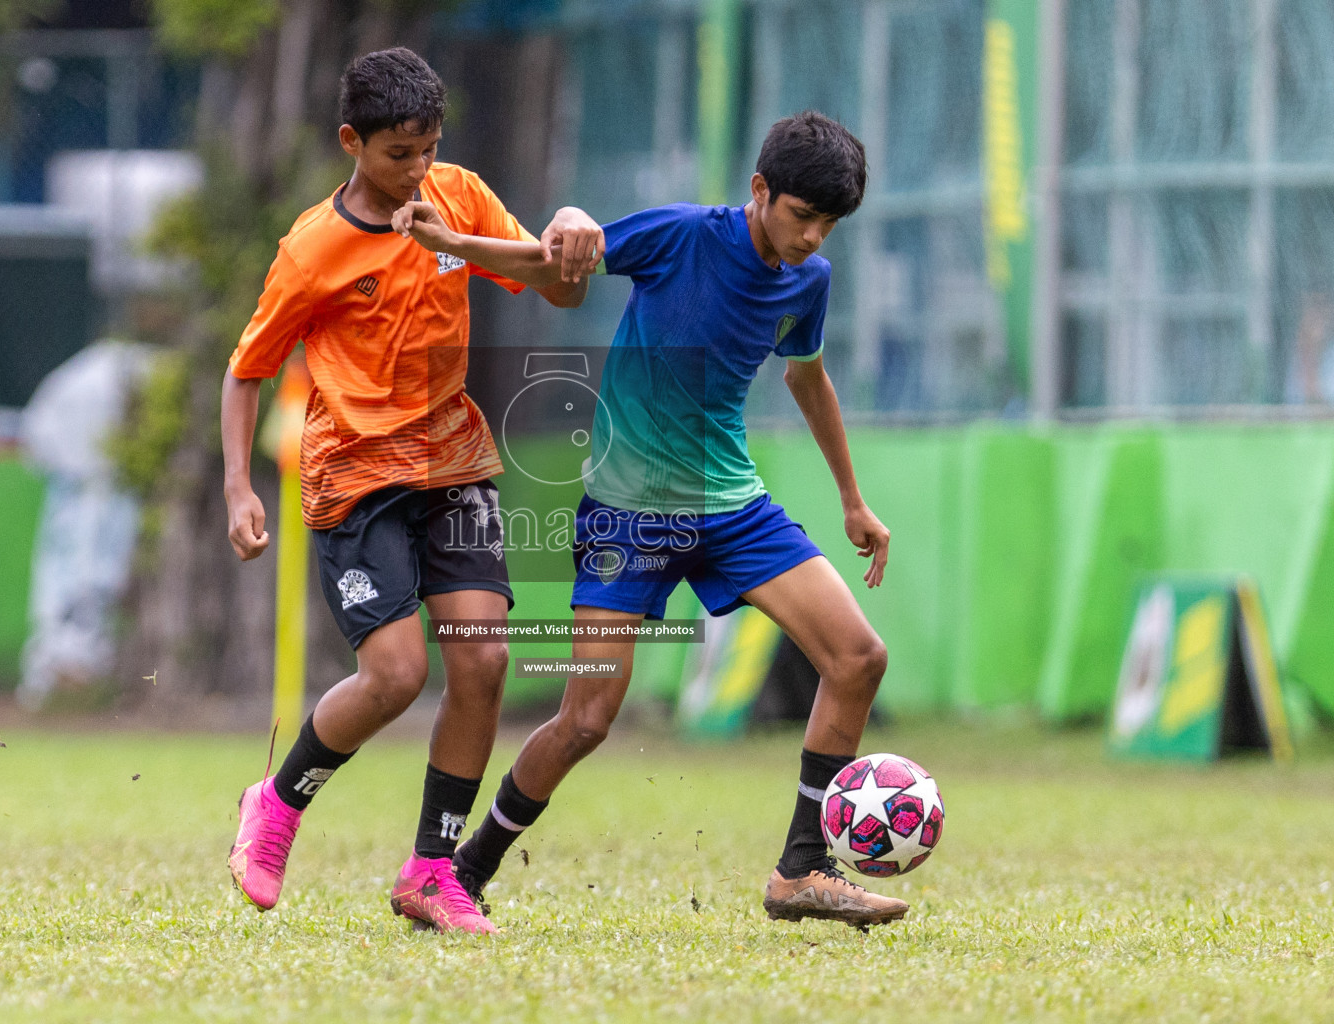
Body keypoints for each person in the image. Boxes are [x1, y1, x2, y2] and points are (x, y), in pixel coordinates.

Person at [405, 110, 909, 930]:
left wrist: (853, 498)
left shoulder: (808, 281)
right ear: (760, 191)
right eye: (802, 216)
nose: (814, 238)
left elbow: (806, 378)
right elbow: (556, 253)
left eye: (829, 225)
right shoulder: (680, 237)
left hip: (732, 507)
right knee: (586, 721)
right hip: (628, 514)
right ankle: (459, 874)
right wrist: (464, 243)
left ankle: (801, 869)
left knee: (857, 657)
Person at [221, 46, 604, 936]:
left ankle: (434, 871)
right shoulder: (313, 248)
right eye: (400, 155)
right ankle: (276, 803)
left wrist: (571, 228)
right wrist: (239, 488)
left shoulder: (458, 197)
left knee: (483, 659)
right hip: (353, 472)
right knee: (395, 675)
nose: (418, 171)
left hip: (452, 458)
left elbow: (553, 286)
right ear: (352, 142)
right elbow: (249, 370)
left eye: (430, 149)